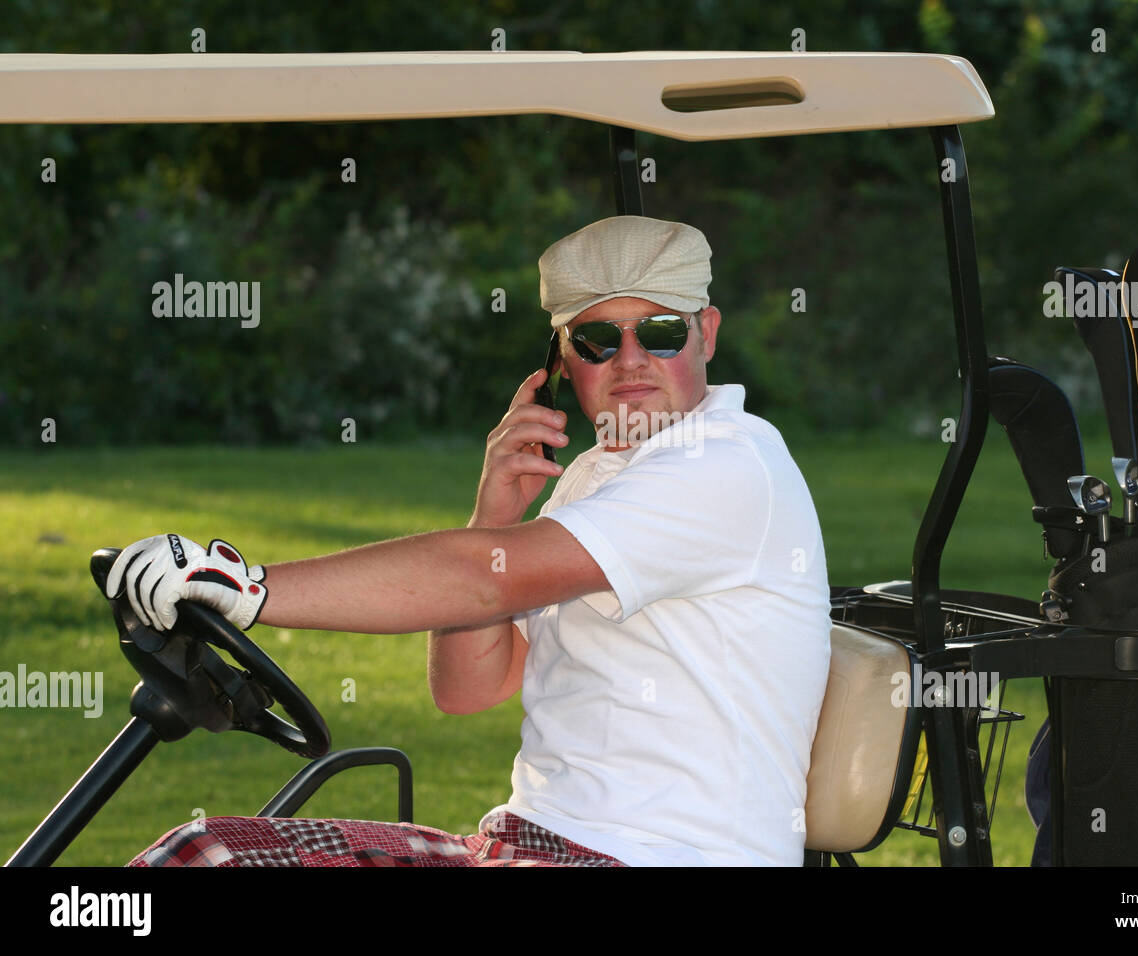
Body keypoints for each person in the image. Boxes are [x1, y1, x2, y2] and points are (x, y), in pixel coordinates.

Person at [114, 215, 831, 867]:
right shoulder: (595, 477)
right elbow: (468, 687)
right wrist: (493, 520)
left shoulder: (729, 461)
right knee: (203, 854)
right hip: (528, 843)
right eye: (598, 339)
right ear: (560, 361)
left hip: (655, 857)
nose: (631, 360)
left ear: (707, 332)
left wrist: (253, 588)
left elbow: (483, 581)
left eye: (662, 332)